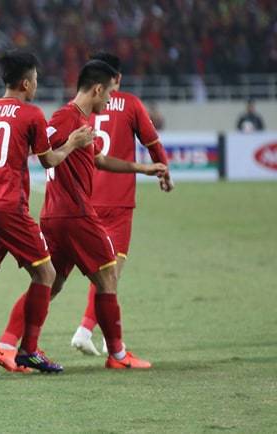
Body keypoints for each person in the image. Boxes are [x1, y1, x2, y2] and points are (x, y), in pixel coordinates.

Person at [0, 60, 167, 370]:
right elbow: (40, 147)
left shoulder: (82, 121)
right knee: (108, 277)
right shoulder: (65, 117)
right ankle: (117, 355)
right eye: (110, 94)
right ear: (98, 89)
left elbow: (98, 159)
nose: (111, 100)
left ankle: (8, 344)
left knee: (51, 283)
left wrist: (142, 168)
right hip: (74, 214)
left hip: (56, 216)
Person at [0, 49, 93, 377]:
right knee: (45, 275)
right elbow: (48, 160)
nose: (36, 86)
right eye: (34, 80)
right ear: (24, 83)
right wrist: (73, 143)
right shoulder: (31, 114)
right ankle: (29, 350)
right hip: (8, 207)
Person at [70, 52, 173, 356]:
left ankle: (109, 338)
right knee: (111, 272)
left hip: (84, 198)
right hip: (117, 201)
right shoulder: (130, 103)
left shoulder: (80, 104)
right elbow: (152, 143)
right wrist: (163, 171)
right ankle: (87, 330)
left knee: (89, 272)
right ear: (117, 78)